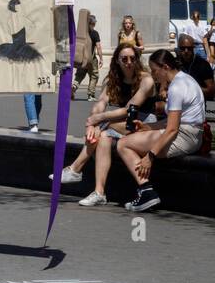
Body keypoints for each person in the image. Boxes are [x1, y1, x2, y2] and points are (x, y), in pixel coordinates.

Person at [54, 44, 156, 207]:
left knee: (104, 124)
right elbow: (101, 102)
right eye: (124, 59)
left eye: (132, 58)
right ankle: (99, 192)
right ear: (117, 60)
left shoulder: (146, 80)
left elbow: (129, 109)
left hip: (144, 123)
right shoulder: (112, 80)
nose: (129, 62)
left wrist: (97, 120)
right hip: (122, 124)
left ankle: (76, 168)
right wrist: (92, 122)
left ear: (137, 59)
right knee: (102, 136)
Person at [116, 49, 206, 212]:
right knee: (135, 137)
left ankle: (146, 191)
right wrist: (149, 127)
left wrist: (150, 156)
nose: (153, 75)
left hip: (184, 137)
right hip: (193, 135)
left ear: (165, 67)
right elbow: (175, 121)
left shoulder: (176, 88)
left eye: (155, 70)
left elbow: (172, 129)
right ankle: (146, 192)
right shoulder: (186, 79)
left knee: (123, 144)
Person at [175, 33, 215, 102]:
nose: (186, 51)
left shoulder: (202, 64)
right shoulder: (174, 64)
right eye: (183, 48)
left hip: (196, 103)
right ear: (178, 48)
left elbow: (211, 91)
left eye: (189, 48)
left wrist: (189, 89)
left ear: (193, 48)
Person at [72, 13, 103, 100]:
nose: (94, 25)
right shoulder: (94, 33)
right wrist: (101, 58)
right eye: (93, 23)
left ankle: (74, 86)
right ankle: (91, 95)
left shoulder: (80, 33)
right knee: (94, 76)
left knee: (79, 75)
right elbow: (98, 47)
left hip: (82, 58)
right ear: (91, 23)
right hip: (91, 59)